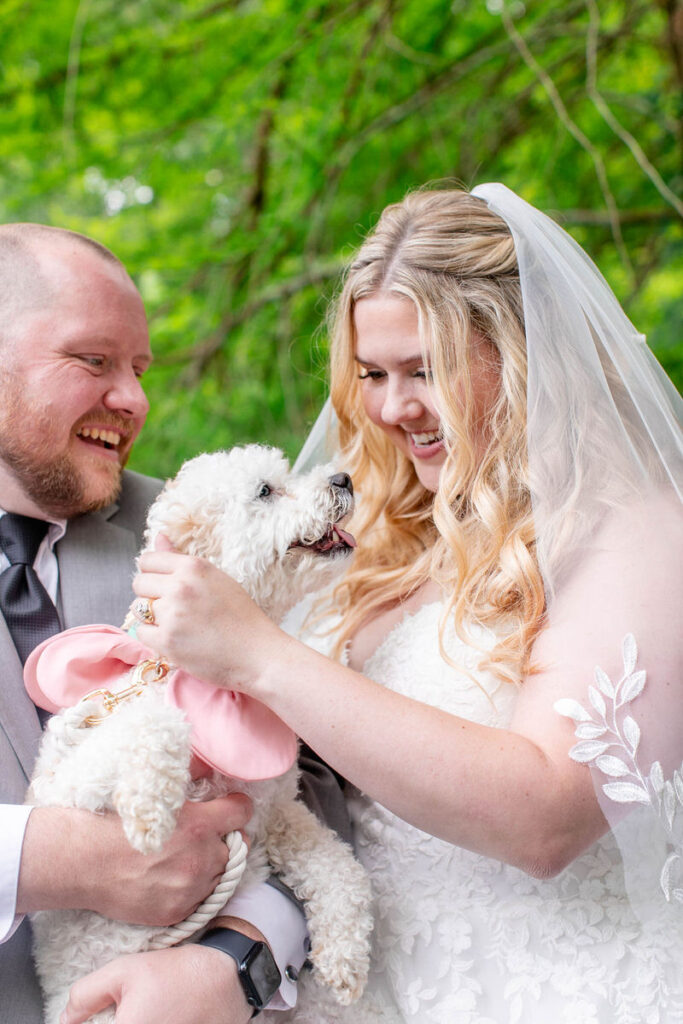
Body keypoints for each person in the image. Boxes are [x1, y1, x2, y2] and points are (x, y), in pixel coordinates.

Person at [131, 184, 683, 1023]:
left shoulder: (634, 530)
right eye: (373, 375)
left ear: (525, 349)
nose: (392, 410)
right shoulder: (383, 534)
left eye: (426, 370)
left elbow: (545, 821)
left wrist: (259, 655)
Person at [0, 223, 332, 1024]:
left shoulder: (199, 529)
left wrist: (238, 961)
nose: (136, 401)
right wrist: (42, 861)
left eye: (141, 369)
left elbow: (319, 785)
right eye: (94, 360)